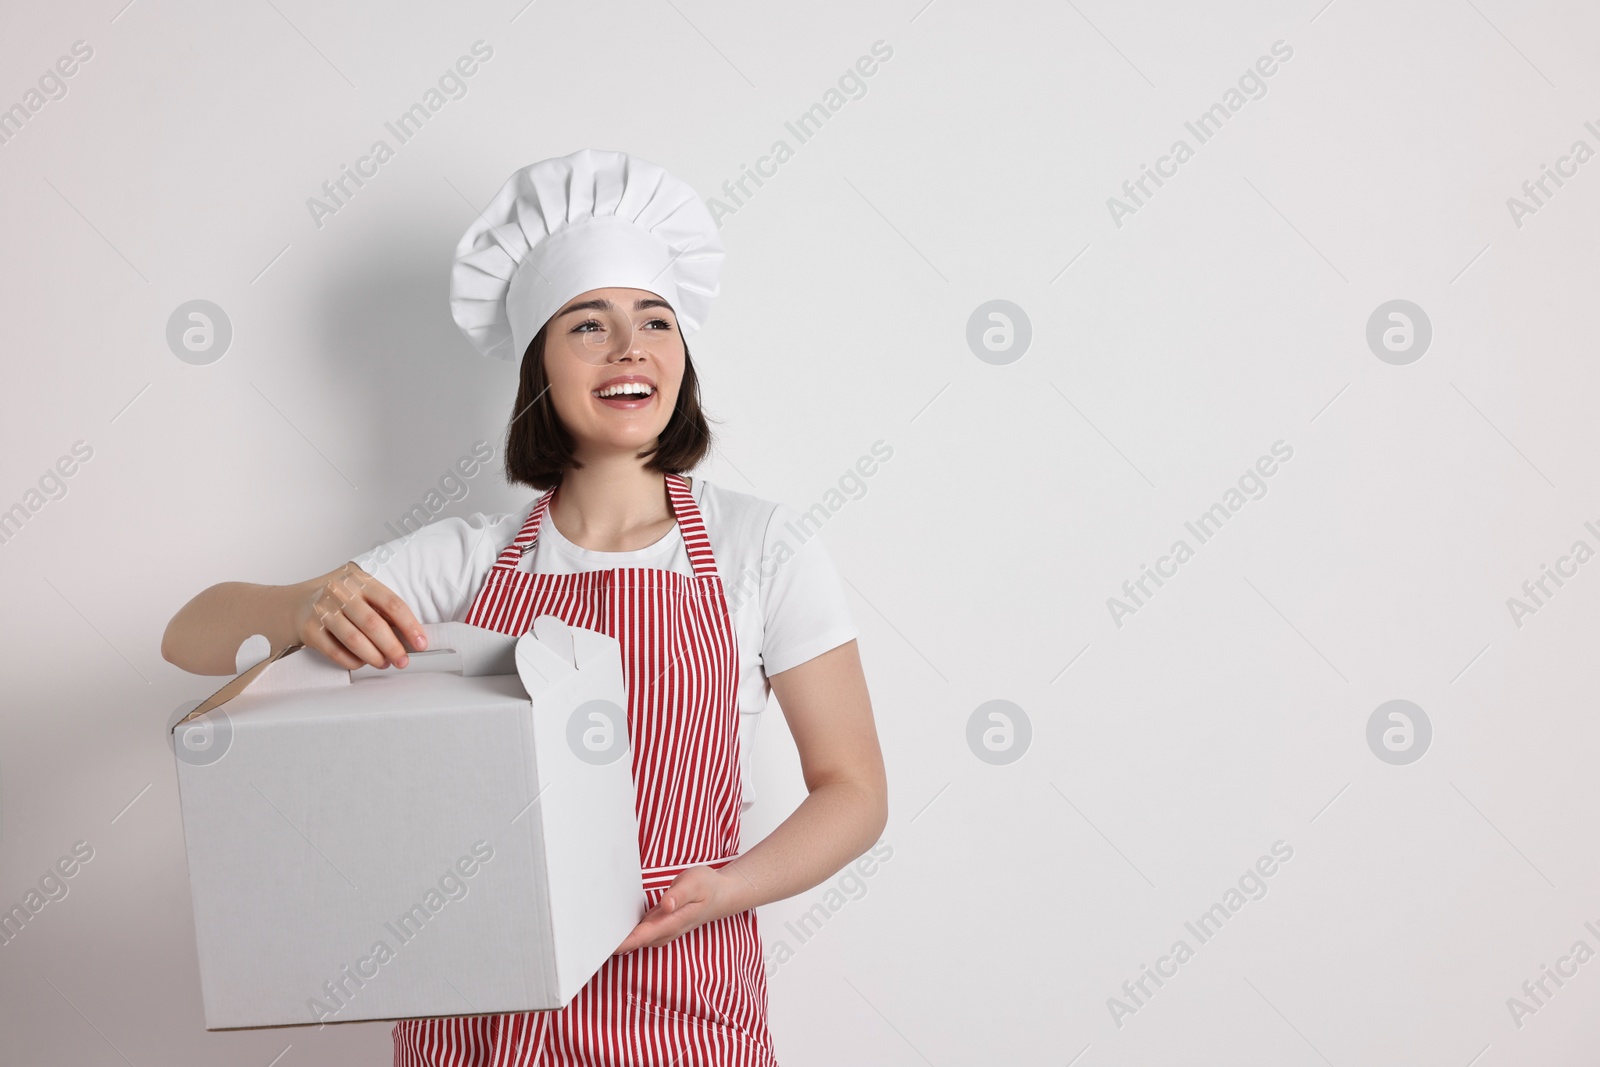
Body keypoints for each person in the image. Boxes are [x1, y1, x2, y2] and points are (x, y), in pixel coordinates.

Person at [161, 148, 888, 1067]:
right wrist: (309, 602)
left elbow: (855, 791)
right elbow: (189, 633)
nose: (631, 346)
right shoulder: (463, 561)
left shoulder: (761, 549)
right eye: (589, 323)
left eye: (655, 321)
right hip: (474, 1017)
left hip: (684, 1010)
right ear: (539, 361)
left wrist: (728, 887)